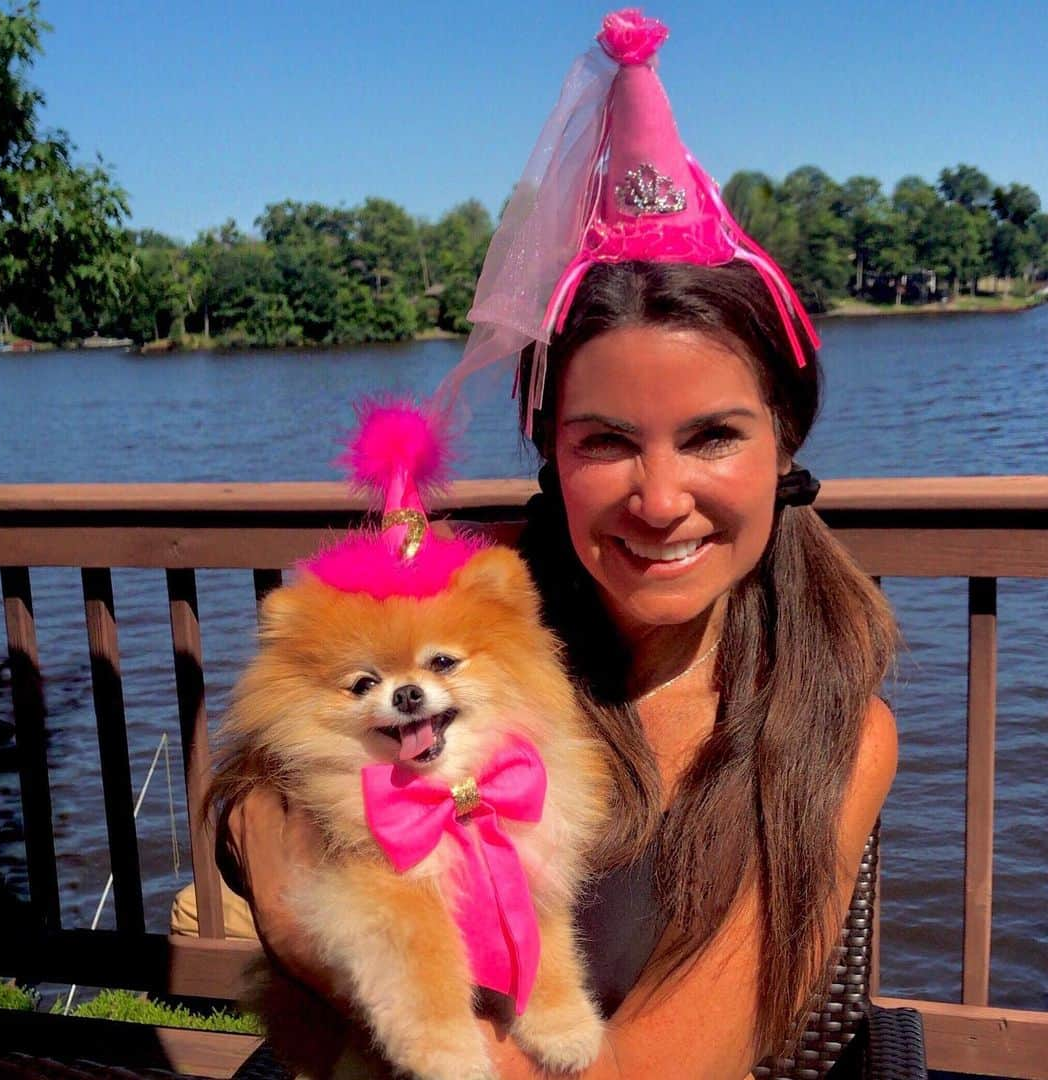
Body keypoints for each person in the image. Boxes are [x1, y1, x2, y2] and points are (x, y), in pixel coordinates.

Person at [220, 10, 899, 1078]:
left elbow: (667, 1070)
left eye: (714, 435)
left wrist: (336, 946)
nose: (660, 498)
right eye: (607, 443)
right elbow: (262, 778)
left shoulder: (828, 729)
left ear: (785, 442)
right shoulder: (464, 597)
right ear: (551, 453)